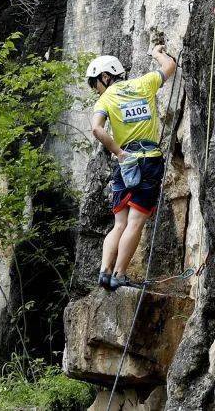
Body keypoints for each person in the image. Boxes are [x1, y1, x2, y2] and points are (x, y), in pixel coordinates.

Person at [88, 45, 177, 292]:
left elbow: (97, 129)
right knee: (136, 222)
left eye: (96, 84)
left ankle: (105, 272)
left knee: (120, 223)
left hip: (125, 163)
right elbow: (169, 66)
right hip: (148, 159)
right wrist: (156, 51)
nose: (97, 90)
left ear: (106, 77)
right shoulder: (143, 84)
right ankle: (120, 274)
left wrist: (119, 153)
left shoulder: (106, 99)